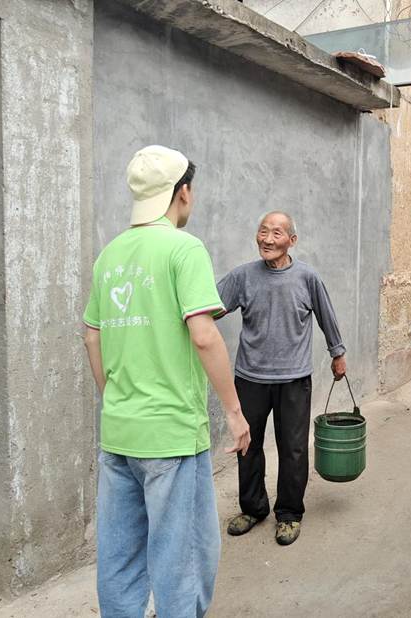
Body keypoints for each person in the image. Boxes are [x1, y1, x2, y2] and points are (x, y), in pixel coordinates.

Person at [83, 145, 250, 617]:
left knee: (120, 559)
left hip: (119, 432)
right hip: (172, 435)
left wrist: (115, 399)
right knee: (184, 561)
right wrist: (235, 413)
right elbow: (203, 335)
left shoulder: (109, 254)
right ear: (182, 193)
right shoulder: (184, 248)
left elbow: (92, 338)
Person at [217, 211, 347, 546]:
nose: (267, 239)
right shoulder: (243, 277)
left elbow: (325, 314)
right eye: (263, 231)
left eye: (277, 233)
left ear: (292, 240)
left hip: (294, 380)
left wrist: (338, 353)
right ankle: (253, 508)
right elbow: (209, 306)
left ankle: (289, 514)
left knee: (292, 450)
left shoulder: (307, 277)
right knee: (248, 446)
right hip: (250, 378)